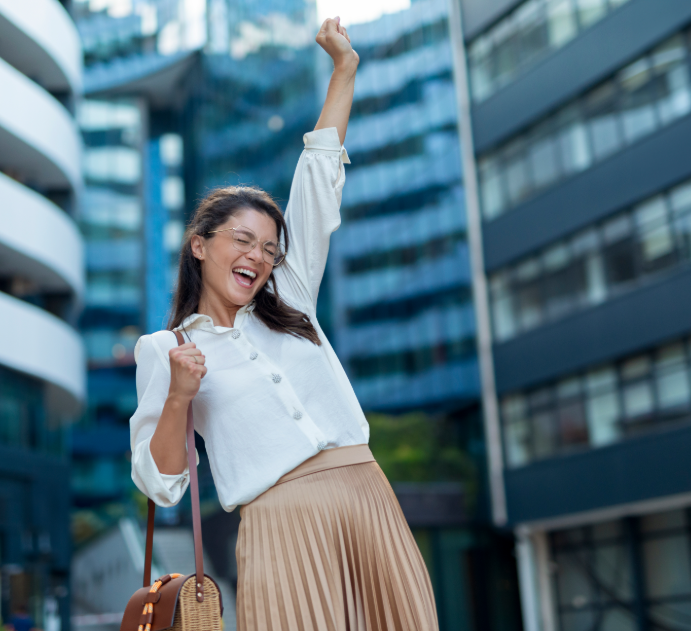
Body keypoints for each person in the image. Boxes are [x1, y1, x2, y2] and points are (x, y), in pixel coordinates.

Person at [130, 16, 440, 631]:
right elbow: (160, 485)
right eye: (242, 240)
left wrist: (344, 69)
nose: (258, 256)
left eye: (270, 248)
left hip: (364, 495)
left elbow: (319, 174)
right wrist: (180, 397)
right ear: (200, 245)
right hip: (278, 522)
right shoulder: (166, 348)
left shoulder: (290, 297)